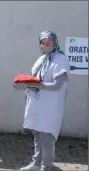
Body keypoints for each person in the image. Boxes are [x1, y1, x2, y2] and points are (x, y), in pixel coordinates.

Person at [19, 31, 70, 171]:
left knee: (46, 137)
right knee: (37, 134)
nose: (46, 45)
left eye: (49, 42)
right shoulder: (41, 59)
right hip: (37, 104)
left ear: (55, 43)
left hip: (50, 105)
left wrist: (38, 85)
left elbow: (57, 85)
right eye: (43, 43)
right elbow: (36, 77)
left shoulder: (61, 59)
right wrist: (29, 82)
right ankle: (36, 163)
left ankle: (46, 167)